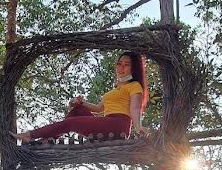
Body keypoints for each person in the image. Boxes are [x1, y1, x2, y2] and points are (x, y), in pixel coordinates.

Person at [11, 51, 149, 143]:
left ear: (133, 68)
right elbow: (98, 108)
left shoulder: (134, 86)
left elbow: (135, 109)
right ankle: (49, 139)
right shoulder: (117, 88)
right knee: (76, 111)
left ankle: (30, 135)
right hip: (108, 122)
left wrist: (138, 127)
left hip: (119, 126)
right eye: (119, 64)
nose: (121, 67)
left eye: (126, 65)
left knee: (71, 123)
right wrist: (80, 103)